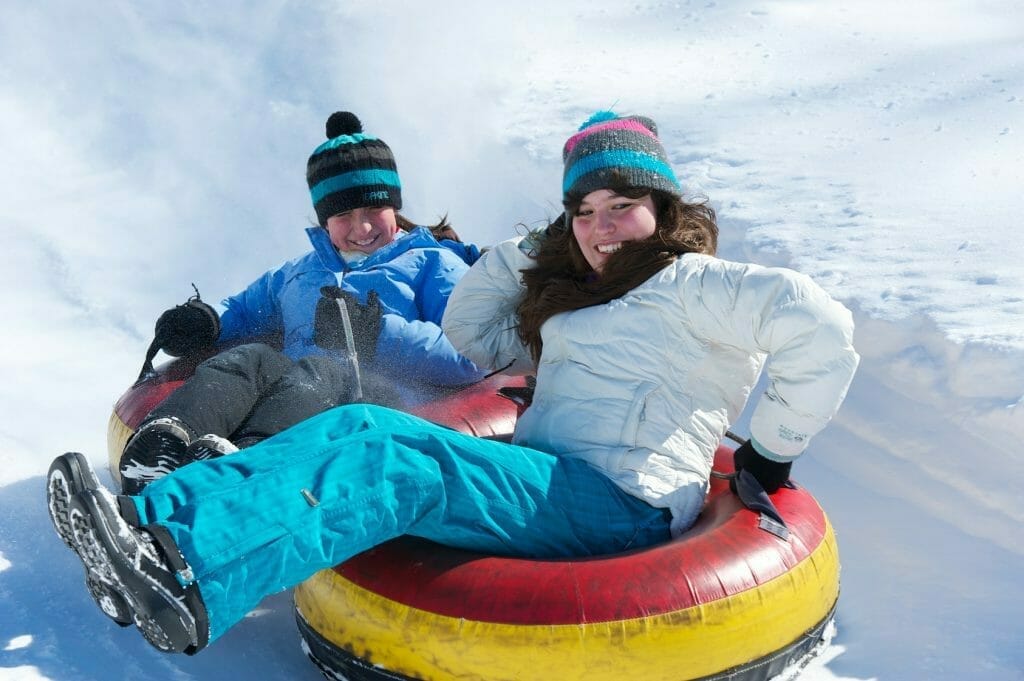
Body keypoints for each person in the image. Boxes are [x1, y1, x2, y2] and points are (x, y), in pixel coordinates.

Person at [46, 110, 859, 655]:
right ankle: (147, 532)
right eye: (584, 211)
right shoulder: (586, 299)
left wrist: (773, 450)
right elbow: (475, 328)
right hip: (555, 482)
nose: (601, 227)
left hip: (621, 498)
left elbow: (822, 329)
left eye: (621, 207)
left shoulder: (695, 282)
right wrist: (542, 247)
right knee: (358, 434)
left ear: (662, 206)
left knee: (385, 447)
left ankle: (182, 568)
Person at [117, 111, 485, 494]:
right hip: (293, 395)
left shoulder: (432, 263)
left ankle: (245, 474)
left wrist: (375, 333)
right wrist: (206, 321)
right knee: (250, 359)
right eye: (343, 214)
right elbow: (244, 310)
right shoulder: (298, 273)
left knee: (321, 371)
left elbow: (473, 353)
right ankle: (162, 448)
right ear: (325, 220)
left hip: (374, 403)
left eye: (373, 210)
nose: (361, 228)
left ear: (394, 206)